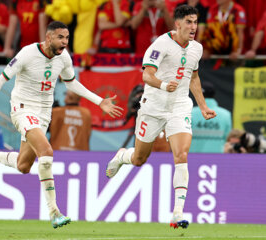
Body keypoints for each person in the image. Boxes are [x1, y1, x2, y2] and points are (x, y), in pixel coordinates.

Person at [0, 21, 123, 229]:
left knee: (24, 166)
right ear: (48, 37)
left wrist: (99, 101)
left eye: (67, 38)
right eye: (61, 37)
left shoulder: (64, 58)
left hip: (43, 115)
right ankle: (54, 212)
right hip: (23, 109)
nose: (65, 42)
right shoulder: (27, 53)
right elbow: (2, 78)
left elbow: (71, 83)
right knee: (46, 151)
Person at [105, 5, 216, 229]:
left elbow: (193, 78)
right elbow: (147, 75)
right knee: (139, 159)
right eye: (188, 22)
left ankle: (177, 213)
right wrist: (165, 85)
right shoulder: (161, 44)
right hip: (153, 107)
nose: (193, 27)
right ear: (177, 24)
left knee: (182, 154)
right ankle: (122, 155)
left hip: (179, 106)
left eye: (195, 22)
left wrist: (202, 106)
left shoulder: (197, 48)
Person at [190, 81, 231, 153]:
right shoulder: (226, 114)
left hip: (193, 158)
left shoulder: (190, 112)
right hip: (218, 158)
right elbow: (227, 138)